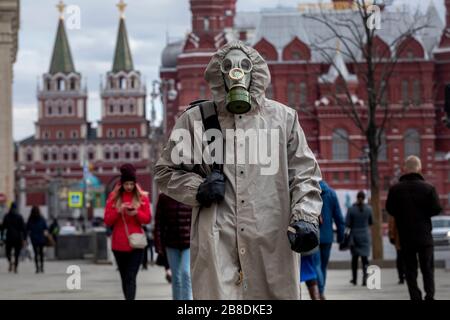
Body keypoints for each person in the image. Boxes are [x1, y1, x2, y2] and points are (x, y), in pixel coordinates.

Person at [155, 41, 323, 299]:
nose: (237, 72)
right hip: (217, 244)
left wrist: (305, 217)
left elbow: (305, 175)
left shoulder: (283, 119)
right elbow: (166, 172)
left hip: (270, 243)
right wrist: (198, 188)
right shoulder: (197, 121)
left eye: (244, 65)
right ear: (218, 73)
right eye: (228, 66)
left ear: (255, 71)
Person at [386, 156, 442, 300]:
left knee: (410, 270)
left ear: (404, 169)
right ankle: (429, 295)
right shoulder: (429, 188)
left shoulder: (395, 189)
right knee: (427, 268)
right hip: (425, 236)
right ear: (419, 168)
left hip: (406, 237)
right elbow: (437, 209)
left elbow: (390, 209)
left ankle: (415, 296)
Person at [104, 163, 151, 300]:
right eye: (126, 184)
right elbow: (107, 220)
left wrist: (136, 213)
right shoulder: (114, 197)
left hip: (136, 245)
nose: (129, 187)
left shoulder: (142, 197)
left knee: (131, 277)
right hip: (118, 245)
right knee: (125, 278)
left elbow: (147, 219)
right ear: (122, 183)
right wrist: (119, 210)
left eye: (131, 184)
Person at [154, 193, 193, 300]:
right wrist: (158, 244)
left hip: (189, 243)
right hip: (171, 243)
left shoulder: (189, 192)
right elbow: (159, 222)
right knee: (176, 278)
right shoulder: (164, 197)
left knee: (186, 273)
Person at [318, 180, 345, 299]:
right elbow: (339, 217)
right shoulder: (332, 194)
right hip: (327, 237)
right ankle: (321, 290)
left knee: (315, 265)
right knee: (323, 266)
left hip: (312, 236)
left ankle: (318, 290)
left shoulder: (311, 192)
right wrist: (340, 237)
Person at [346, 191, 372, 286]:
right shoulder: (369, 209)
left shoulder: (351, 209)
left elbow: (347, 224)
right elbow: (371, 222)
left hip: (354, 236)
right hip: (365, 235)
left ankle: (354, 279)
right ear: (364, 198)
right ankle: (365, 279)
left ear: (357, 198)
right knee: (365, 259)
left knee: (354, 259)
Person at [1, 202, 26, 273]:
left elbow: (2, 228)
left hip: (9, 237)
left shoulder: (6, 216)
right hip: (18, 238)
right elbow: (23, 228)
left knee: (7, 252)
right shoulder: (19, 216)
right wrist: (24, 238)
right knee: (17, 254)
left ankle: (10, 262)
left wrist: (2, 238)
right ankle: (16, 267)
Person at [26, 206, 48, 273]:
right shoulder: (42, 218)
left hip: (34, 238)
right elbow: (45, 227)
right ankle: (42, 267)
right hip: (41, 238)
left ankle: (37, 268)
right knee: (41, 253)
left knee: (36, 253)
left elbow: (27, 228)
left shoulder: (30, 219)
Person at [388, 215, 405, 284]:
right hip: (404, 239)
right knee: (405, 258)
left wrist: (391, 236)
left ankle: (402, 276)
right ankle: (404, 275)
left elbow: (392, 225)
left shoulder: (395, 212)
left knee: (400, 258)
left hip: (400, 239)